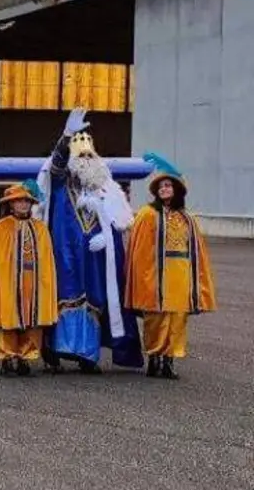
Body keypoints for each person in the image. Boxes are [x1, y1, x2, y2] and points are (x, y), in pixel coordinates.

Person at [34, 108, 143, 374]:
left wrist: (107, 239)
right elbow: (57, 164)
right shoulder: (60, 182)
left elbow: (117, 223)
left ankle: (88, 356)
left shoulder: (104, 189)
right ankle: (54, 351)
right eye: (80, 155)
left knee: (95, 301)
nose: (84, 160)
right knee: (63, 297)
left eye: (88, 156)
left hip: (95, 259)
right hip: (64, 254)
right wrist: (67, 136)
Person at [124, 154, 216, 380]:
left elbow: (197, 252)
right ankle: (154, 358)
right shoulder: (147, 215)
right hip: (155, 275)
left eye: (169, 185)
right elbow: (140, 250)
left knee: (176, 319)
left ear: (177, 190)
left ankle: (169, 361)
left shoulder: (187, 218)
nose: (165, 189)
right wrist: (143, 277)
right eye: (161, 186)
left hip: (180, 275)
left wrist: (196, 282)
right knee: (155, 319)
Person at [0, 181, 59, 377]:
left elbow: (47, 260)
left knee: (32, 321)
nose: (23, 204)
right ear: (11, 204)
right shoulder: (0, 228)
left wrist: (45, 284)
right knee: (8, 320)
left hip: (33, 283)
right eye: (19, 201)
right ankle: (7, 357)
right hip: (9, 282)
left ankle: (25, 357)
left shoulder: (40, 228)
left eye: (26, 201)